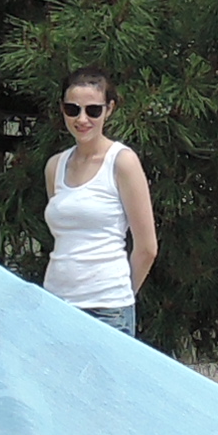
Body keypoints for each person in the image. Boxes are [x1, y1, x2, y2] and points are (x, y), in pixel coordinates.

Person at [42, 68, 158, 335]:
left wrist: (120, 295)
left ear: (109, 109)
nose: (82, 119)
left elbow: (147, 248)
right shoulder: (55, 166)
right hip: (56, 304)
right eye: (73, 109)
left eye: (93, 110)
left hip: (107, 310)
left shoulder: (122, 162)